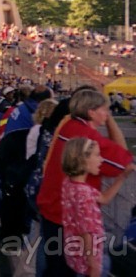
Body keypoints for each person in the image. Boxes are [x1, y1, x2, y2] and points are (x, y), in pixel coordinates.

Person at [36, 88, 133, 276]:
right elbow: (123, 159)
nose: (107, 113)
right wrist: (110, 121)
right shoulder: (87, 139)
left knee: (51, 264)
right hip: (64, 217)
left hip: (52, 206)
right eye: (104, 110)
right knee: (63, 268)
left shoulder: (69, 124)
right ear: (91, 112)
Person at [60, 138, 133, 277]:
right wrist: (93, 265)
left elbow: (103, 199)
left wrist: (122, 177)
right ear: (83, 160)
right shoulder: (84, 194)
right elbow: (85, 233)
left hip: (76, 258)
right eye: (97, 155)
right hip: (91, 262)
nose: (102, 159)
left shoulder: (70, 184)